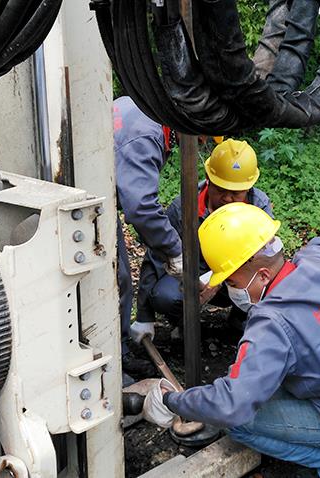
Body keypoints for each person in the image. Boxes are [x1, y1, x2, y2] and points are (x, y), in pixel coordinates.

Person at [141, 203, 320, 478]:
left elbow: (233, 406)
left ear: (262, 276)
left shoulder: (272, 324)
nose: (228, 289)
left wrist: (172, 400)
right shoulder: (317, 261)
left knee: (239, 423)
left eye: (232, 283)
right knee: (259, 383)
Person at [129, 139, 273, 345]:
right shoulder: (183, 207)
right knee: (164, 296)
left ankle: (242, 320)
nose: (228, 199)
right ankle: (183, 321)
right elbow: (156, 255)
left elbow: (266, 259)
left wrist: (219, 279)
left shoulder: (258, 206)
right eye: (221, 190)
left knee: (264, 281)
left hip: (235, 279)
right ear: (208, 179)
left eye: (236, 193)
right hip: (191, 277)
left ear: (249, 186)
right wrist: (144, 316)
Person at [113, 96, 183, 381]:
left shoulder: (140, 104)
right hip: (86, 201)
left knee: (119, 278)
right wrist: (174, 249)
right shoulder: (147, 133)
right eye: (201, 138)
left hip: (92, 195)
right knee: (112, 282)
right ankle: (112, 366)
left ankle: (117, 350)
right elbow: (141, 206)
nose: (200, 146)